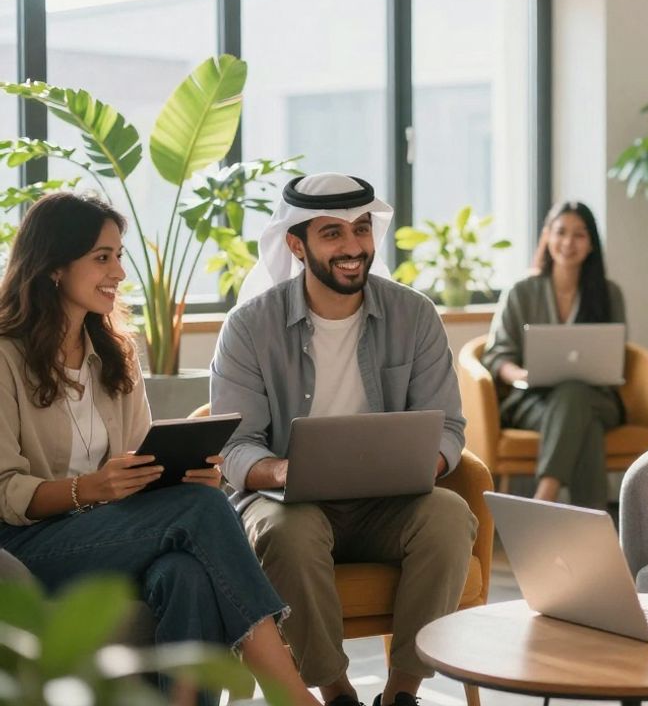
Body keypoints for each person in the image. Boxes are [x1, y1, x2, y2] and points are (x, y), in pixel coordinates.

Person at [0, 193, 317, 706]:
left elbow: (141, 458)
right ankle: (292, 694)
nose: (119, 272)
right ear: (54, 266)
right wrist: (89, 489)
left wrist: (183, 475)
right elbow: (5, 491)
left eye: (119, 256)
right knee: (202, 511)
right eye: (102, 257)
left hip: (113, 531)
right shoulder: (4, 357)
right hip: (27, 546)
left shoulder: (115, 354)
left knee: (185, 573)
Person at [212, 173, 477, 706]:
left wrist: (416, 466)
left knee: (449, 516)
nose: (353, 247)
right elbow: (234, 446)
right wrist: (283, 471)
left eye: (361, 229)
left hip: (390, 505)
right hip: (290, 504)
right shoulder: (249, 327)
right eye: (332, 233)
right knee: (288, 532)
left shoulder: (414, 314)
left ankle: (401, 693)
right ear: (296, 245)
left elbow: (449, 427)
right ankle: (337, 693)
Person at [482, 202, 625, 508]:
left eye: (579, 235)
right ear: (547, 236)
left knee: (575, 394)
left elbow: (616, 356)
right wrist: (522, 375)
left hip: (598, 399)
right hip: (533, 402)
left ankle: (544, 497)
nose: (568, 242)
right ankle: (591, 524)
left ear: (591, 244)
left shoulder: (609, 293)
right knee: (585, 426)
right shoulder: (521, 291)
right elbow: (496, 355)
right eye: (561, 232)